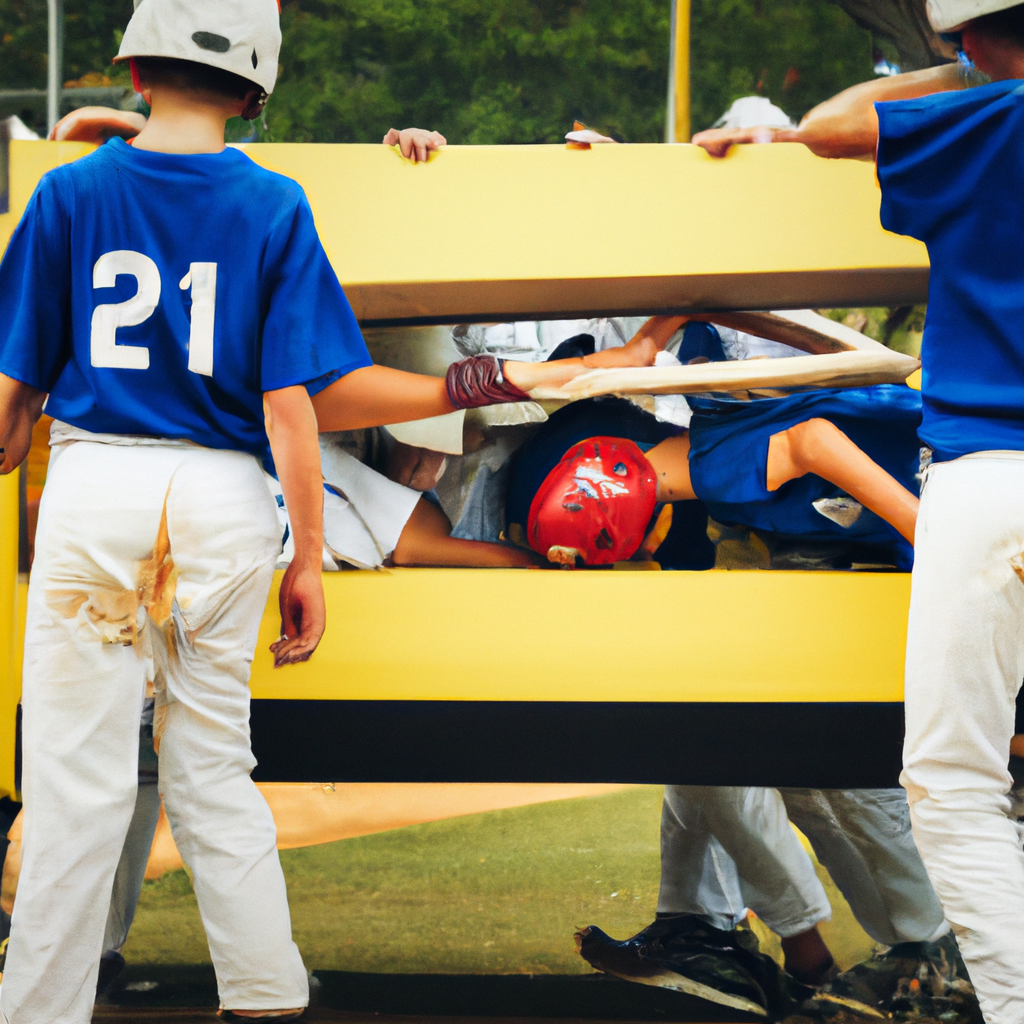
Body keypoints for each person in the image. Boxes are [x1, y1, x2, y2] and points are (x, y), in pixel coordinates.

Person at [693, 7, 1024, 1021]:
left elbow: (832, 125)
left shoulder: (988, 111)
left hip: (992, 468)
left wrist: (953, 73)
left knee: (956, 783)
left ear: (965, 36)